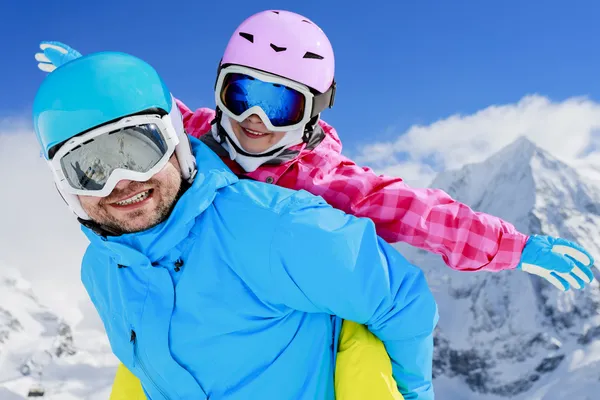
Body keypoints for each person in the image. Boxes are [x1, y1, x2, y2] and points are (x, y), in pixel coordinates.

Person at [35, 10, 596, 399]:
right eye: (240, 94)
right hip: (210, 302)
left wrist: (514, 246)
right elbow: (133, 116)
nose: (253, 121)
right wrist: (87, 80)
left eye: (277, 103)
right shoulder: (198, 134)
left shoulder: (328, 185)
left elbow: (425, 216)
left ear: (311, 113)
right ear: (218, 92)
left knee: (358, 349)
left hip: (318, 313)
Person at [33, 50, 439, 399]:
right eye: (89, 168)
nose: (122, 181)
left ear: (175, 140)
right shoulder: (101, 270)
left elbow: (401, 299)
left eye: (140, 149)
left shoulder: (275, 228)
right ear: (64, 187)